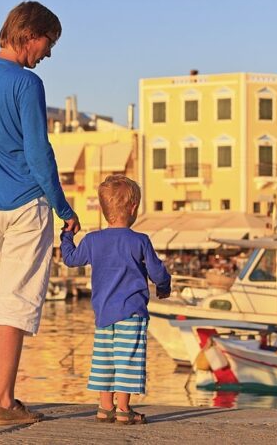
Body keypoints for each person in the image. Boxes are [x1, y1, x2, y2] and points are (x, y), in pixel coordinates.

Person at [0, 1, 80, 426]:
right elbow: (38, 153)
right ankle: (4, 403)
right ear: (29, 35)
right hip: (26, 203)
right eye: (48, 43)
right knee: (16, 302)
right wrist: (63, 208)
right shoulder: (27, 84)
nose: (48, 53)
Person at [60, 175, 171, 425]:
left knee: (105, 358)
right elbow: (157, 272)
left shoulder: (92, 241)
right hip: (131, 311)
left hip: (103, 313)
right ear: (133, 209)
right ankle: (123, 409)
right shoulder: (140, 240)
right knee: (127, 358)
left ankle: (104, 406)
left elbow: (70, 259)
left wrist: (66, 236)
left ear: (103, 209)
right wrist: (164, 286)